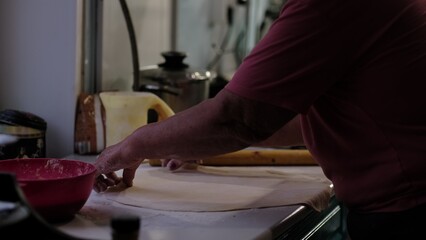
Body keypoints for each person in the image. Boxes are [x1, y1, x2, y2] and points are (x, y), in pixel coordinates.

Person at [93, 0, 426, 239]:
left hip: (409, 213)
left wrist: (133, 145)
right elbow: (282, 118)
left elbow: (238, 117)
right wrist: (199, 142)